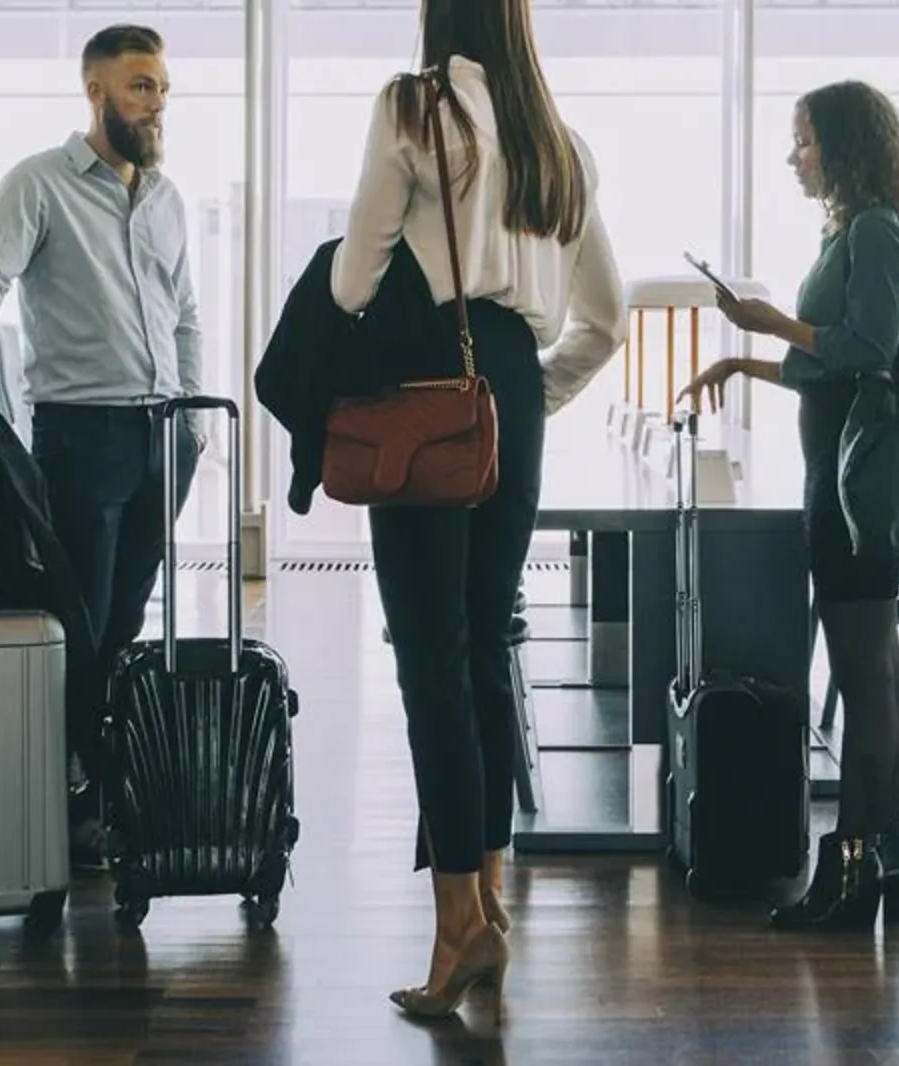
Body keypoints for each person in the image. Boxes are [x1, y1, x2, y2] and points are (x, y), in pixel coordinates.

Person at [331, 0, 625, 1016]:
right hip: (512, 393)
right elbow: (608, 318)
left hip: (428, 390)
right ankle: (490, 899)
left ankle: (460, 926)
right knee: (486, 644)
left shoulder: (413, 109)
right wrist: (524, 400)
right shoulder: (560, 143)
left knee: (429, 659)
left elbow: (354, 274)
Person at [0, 23, 207, 868]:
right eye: (139, 86)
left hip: (165, 435)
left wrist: (193, 419)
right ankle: (76, 795)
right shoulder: (40, 184)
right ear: (96, 91)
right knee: (80, 623)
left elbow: (187, 313)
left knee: (128, 619)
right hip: (82, 434)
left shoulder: (165, 199)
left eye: (161, 86)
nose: (156, 102)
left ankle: (108, 783)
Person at [679, 79, 899, 931]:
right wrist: (745, 362)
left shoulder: (874, 232)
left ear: (845, 147)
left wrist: (770, 323)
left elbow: (867, 349)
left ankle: (855, 863)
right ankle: (883, 853)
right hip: (840, 474)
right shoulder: (860, 232)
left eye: (805, 141)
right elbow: (833, 363)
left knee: (867, 677)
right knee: (878, 670)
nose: (794, 157)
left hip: (854, 487)